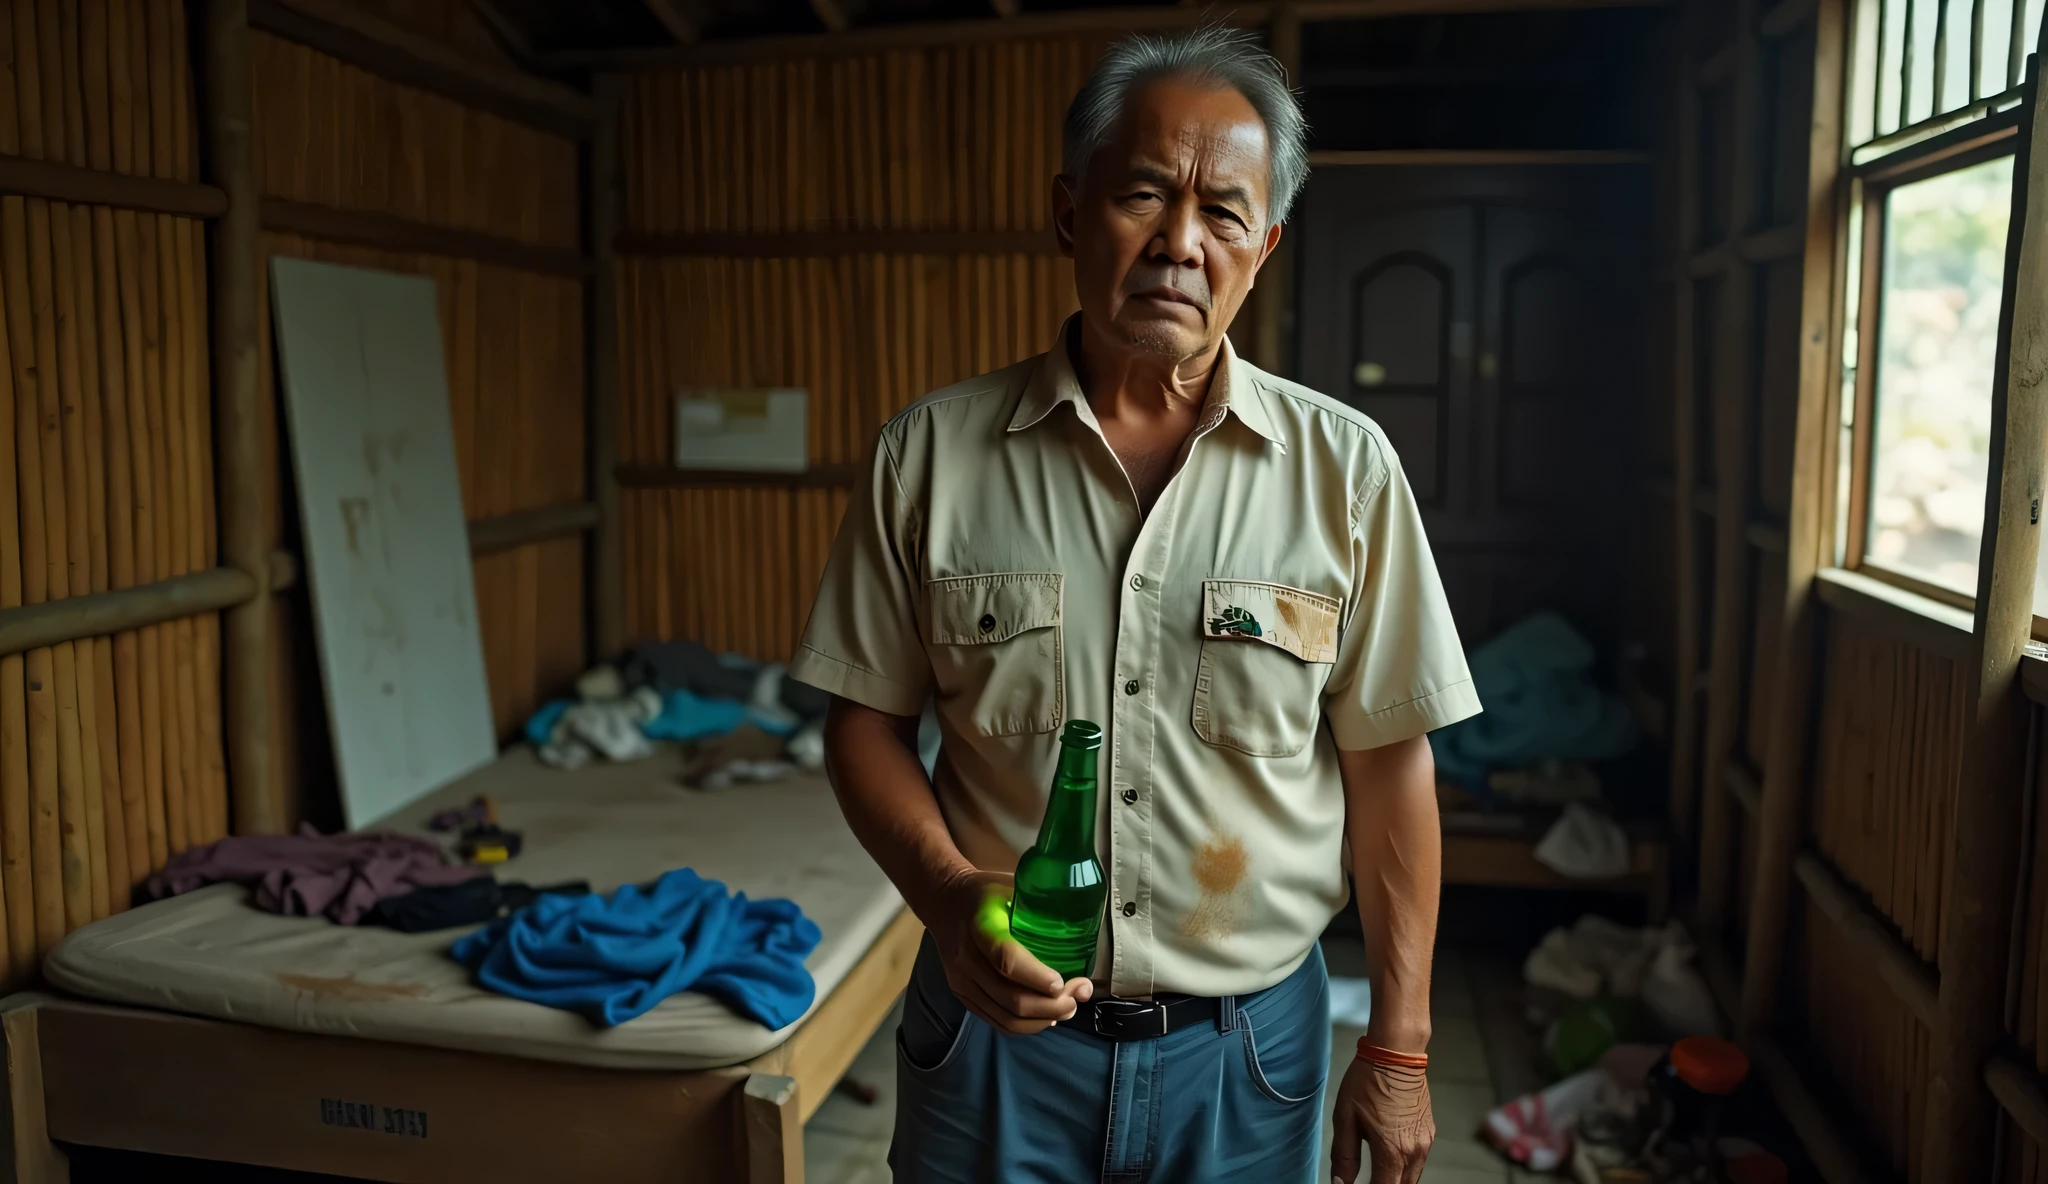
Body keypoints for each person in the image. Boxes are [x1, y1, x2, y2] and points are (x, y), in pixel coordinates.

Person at [789, 26, 1479, 1184]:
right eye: (1143, 195)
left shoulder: (1343, 469)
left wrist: (1399, 1048)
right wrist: (951, 900)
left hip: (1246, 1054)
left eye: (1221, 213)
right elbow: (861, 721)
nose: (1178, 243)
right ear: (1068, 212)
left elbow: (1387, 765)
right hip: (992, 1041)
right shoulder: (932, 455)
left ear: (1264, 245)